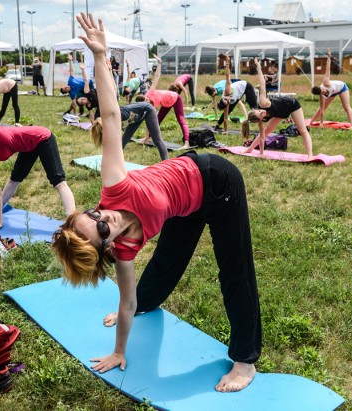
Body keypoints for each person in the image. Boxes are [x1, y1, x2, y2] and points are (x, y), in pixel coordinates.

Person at [51, 13, 262, 394]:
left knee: (234, 269)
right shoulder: (126, 249)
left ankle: (245, 360)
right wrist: (118, 351)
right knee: (165, 260)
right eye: (100, 229)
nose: (104, 217)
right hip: (185, 204)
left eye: (93, 213)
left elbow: (112, 116)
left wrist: (100, 57)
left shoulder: (113, 185)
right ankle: (153, 301)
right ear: (108, 247)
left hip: (217, 180)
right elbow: (125, 299)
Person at [0, 44, 75, 231]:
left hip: (42, 138)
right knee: (14, 180)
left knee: (58, 182)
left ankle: (72, 222)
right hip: (27, 147)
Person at [242, 57, 313, 159]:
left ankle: (310, 155)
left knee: (303, 130)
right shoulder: (262, 119)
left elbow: (262, 84)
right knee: (266, 131)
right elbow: (262, 136)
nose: (262, 111)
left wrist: (258, 67)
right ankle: (250, 148)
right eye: (261, 114)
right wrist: (261, 153)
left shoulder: (263, 103)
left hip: (292, 105)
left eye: (259, 111)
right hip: (279, 113)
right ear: (260, 119)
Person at [137, 55, 190, 150]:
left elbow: (157, 76)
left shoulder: (151, 91)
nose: (148, 101)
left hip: (175, 98)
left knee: (180, 119)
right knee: (156, 119)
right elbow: (148, 120)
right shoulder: (147, 105)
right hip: (166, 102)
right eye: (146, 102)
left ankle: (187, 143)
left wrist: (159, 63)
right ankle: (147, 138)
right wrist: (145, 138)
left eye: (146, 99)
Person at [310, 48, 352, 130]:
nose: (323, 92)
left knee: (346, 106)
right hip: (333, 92)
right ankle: (311, 122)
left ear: (321, 88)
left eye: (323, 90)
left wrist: (328, 56)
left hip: (342, 88)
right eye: (322, 92)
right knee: (322, 108)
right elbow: (322, 110)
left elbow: (327, 69)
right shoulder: (322, 95)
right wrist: (321, 123)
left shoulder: (325, 82)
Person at [216, 59, 258, 134]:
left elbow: (227, 76)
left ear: (224, 98)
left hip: (246, 87)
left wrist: (227, 65)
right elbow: (226, 118)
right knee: (228, 111)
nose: (228, 101)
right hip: (238, 95)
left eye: (227, 100)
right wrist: (225, 131)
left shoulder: (227, 91)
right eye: (228, 102)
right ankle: (218, 124)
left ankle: (262, 119)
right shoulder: (227, 103)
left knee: (254, 108)